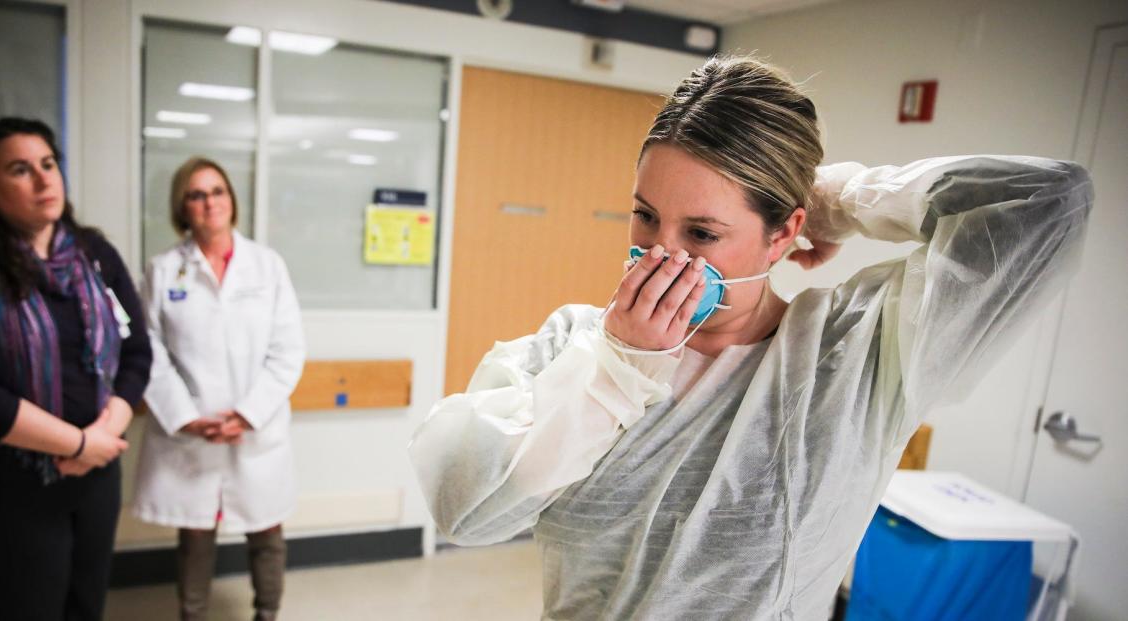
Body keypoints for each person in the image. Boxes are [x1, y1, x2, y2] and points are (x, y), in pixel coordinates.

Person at [409, 56, 1093, 619]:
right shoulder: (577, 347)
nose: (659, 253)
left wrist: (842, 199)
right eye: (645, 217)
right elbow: (466, 507)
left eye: (701, 233)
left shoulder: (851, 355)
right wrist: (615, 373)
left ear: (785, 232)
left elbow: (1047, 202)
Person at [0, 117, 152, 620]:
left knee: (85, 607)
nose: (44, 180)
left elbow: (136, 350)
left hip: (95, 476)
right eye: (21, 170)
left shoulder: (93, 256)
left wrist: (105, 433)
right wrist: (77, 444)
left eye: (48, 164)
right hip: (5, 485)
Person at [131, 156, 305, 621]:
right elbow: (148, 350)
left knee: (267, 532)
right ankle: (193, 615)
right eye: (197, 194)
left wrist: (247, 414)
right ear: (181, 207)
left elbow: (287, 350)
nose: (210, 202)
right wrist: (186, 416)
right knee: (194, 535)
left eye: (218, 192)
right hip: (194, 429)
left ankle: (267, 613)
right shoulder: (163, 270)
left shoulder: (267, 266)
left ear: (232, 200)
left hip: (254, 428)